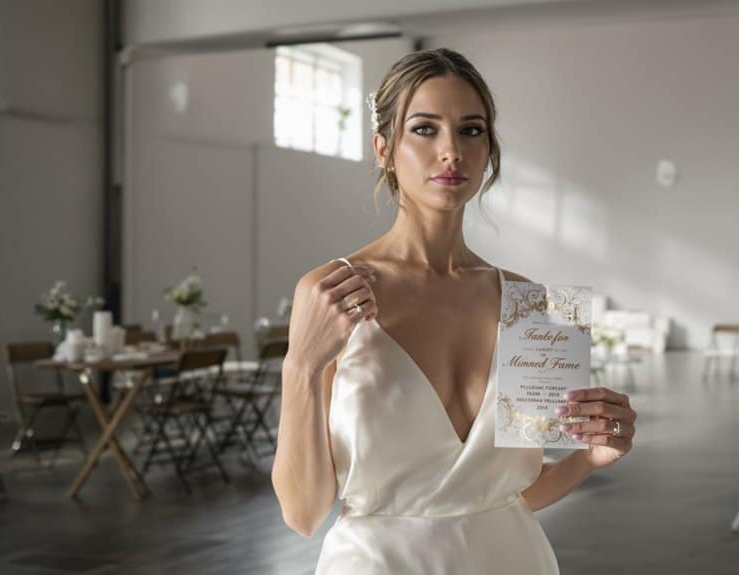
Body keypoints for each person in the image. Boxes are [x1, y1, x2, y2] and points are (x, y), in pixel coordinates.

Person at [271, 47, 638, 574]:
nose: (451, 151)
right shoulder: (333, 291)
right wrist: (301, 367)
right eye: (424, 129)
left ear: (489, 149)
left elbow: (511, 494)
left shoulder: (530, 305)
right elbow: (303, 514)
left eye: (471, 130)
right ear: (383, 147)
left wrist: (588, 458)